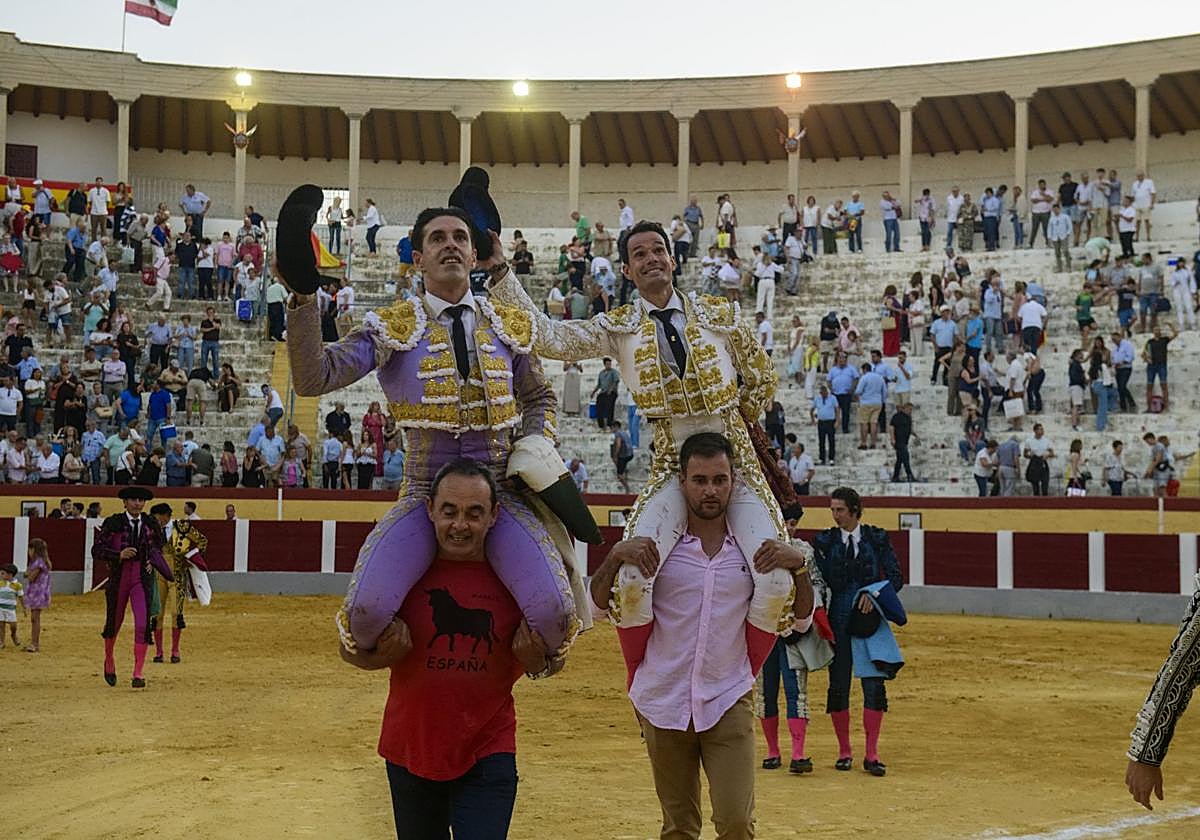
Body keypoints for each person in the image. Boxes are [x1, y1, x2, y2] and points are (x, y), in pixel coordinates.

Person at [490, 220, 801, 677]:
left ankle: (738, 683)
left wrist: (736, 425)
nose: (652, 257)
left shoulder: (720, 314)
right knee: (633, 578)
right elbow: (549, 337)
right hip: (670, 463)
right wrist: (499, 271)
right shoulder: (619, 328)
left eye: (659, 250)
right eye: (640, 254)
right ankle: (643, 685)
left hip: (737, 464)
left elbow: (761, 379)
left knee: (775, 582)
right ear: (627, 270)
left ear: (673, 261)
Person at [282, 205, 583, 668]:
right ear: (418, 258)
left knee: (556, 616)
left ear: (472, 252)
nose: (451, 245)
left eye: (460, 237)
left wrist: (533, 446)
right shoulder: (392, 327)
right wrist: (304, 299)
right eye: (438, 238)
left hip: (501, 489)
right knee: (364, 618)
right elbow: (313, 378)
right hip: (424, 489)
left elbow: (540, 396)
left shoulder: (508, 323)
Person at [589, 433, 814, 839]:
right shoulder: (658, 549)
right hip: (662, 699)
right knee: (678, 828)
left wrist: (799, 566)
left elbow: (801, 621)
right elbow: (598, 607)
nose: (710, 490)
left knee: (737, 823)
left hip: (728, 697)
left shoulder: (751, 551)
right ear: (682, 480)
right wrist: (614, 557)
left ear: (733, 481)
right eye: (700, 480)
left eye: (719, 480)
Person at [339, 459, 552, 839]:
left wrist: (537, 663)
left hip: (489, 748)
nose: (460, 525)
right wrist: (377, 658)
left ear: (494, 516)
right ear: (430, 511)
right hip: (411, 748)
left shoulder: (517, 582)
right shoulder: (402, 576)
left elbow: (550, 660)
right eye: (449, 511)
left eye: (474, 513)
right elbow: (348, 649)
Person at [811, 487, 902, 776]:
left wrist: (873, 594)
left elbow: (896, 578)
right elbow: (818, 581)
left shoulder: (876, 538)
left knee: (874, 684)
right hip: (838, 618)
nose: (835, 515)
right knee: (838, 685)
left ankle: (872, 754)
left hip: (868, 619)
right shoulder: (825, 542)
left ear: (854, 510)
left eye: (839, 510)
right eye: (832, 510)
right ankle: (844, 751)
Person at [93, 486, 173, 688]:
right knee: (114, 622)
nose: (137, 503)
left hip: (141, 578)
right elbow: (97, 550)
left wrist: (151, 560)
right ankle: (109, 659)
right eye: (133, 500)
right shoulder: (113, 522)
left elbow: (157, 546)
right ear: (125, 502)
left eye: (140, 500)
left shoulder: (150, 523)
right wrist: (117, 555)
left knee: (142, 623)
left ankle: (138, 672)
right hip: (119, 577)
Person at [147, 502, 208, 663]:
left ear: (166, 515)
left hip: (177, 577)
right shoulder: (152, 530)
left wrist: (192, 557)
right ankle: (159, 652)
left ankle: (175, 650)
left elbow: (202, 541)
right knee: (157, 614)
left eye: (157, 517)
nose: (155, 520)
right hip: (158, 575)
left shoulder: (182, 526)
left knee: (176, 613)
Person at [21, 538, 51, 652]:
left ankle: (35, 644)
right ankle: (33, 643)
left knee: (35, 618)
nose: (29, 552)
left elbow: (30, 577)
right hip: (37, 592)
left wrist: (28, 574)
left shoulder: (38, 562)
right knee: (34, 618)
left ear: (34, 550)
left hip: (37, 593)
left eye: (30, 549)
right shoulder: (38, 561)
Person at [1143, 322, 1177, 412]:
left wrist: (1171, 326)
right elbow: (1144, 354)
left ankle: (1166, 406)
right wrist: (1147, 359)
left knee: (1164, 385)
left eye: (1158, 329)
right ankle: (1149, 407)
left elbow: (1175, 334)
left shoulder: (1164, 340)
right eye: (1155, 330)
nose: (1157, 331)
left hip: (1162, 364)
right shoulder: (1149, 342)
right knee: (1149, 386)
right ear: (1153, 332)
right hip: (1151, 366)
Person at [889, 403, 917, 483]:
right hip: (898, 441)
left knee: (900, 460)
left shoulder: (909, 418)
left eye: (911, 410)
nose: (910, 411)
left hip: (905, 441)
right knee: (906, 458)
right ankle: (910, 475)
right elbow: (891, 427)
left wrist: (915, 434)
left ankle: (895, 477)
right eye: (909, 409)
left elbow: (909, 429)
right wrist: (892, 439)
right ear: (904, 408)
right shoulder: (897, 416)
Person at [0, 561, 25, 648]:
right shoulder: (0, 583)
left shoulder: (17, 585)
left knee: (13, 625)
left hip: (10, 609)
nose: (1, 575)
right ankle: (1, 642)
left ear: (10, 575)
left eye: (3, 573)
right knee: (1, 625)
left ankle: (13, 635)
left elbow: (21, 596)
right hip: (0, 608)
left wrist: (24, 607)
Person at [591, 357, 620, 430]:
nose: (609, 365)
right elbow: (599, 385)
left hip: (611, 392)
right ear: (604, 364)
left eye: (610, 364)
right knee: (599, 406)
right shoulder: (601, 373)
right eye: (607, 364)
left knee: (609, 406)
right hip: (603, 392)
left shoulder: (613, 372)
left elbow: (616, 381)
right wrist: (593, 392)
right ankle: (601, 425)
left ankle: (609, 424)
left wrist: (611, 389)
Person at [610, 420, 633, 493]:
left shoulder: (618, 434)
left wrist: (615, 456)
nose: (611, 430)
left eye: (612, 428)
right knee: (621, 469)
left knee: (619, 475)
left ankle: (627, 489)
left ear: (616, 427)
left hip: (623, 455)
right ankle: (624, 473)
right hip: (629, 454)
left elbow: (618, 445)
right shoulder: (624, 432)